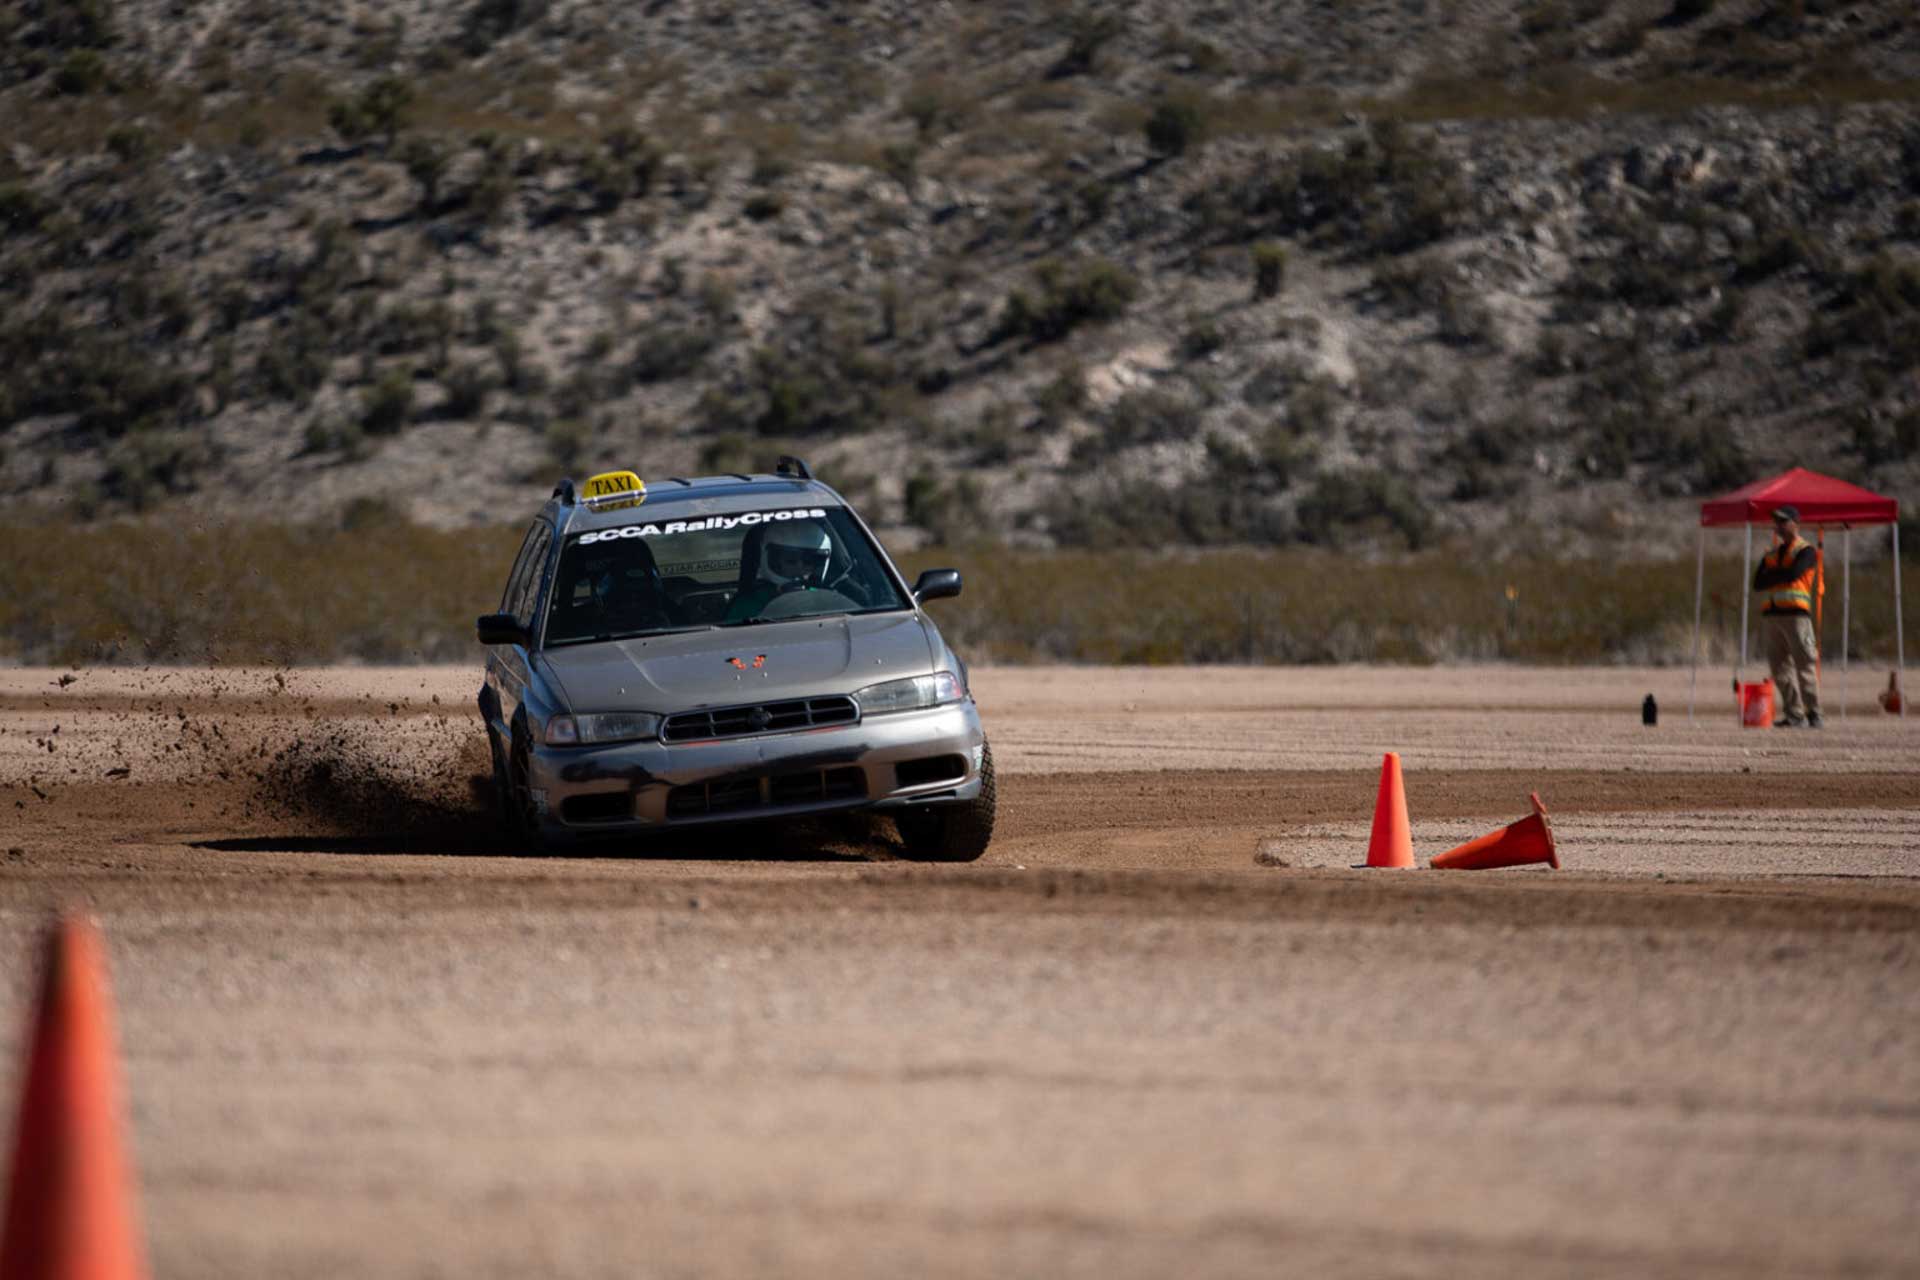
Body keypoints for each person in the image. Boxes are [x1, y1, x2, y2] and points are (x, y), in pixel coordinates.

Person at [1752, 505, 1821, 728]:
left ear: (1795, 523)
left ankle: (1814, 713)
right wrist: (1778, 575)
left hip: (1797, 616)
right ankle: (1794, 714)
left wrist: (1773, 575)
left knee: (1805, 665)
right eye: (1777, 523)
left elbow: (1794, 574)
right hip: (1773, 616)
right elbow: (1757, 583)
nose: (1778, 527)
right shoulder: (1772, 554)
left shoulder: (1807, 550)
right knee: (1779, 668)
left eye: (1783, 522)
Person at [726, 521, 833, 622]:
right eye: (791, 561)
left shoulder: (825, 599)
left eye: (808, 561)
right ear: (774, 561)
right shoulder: (749, 604)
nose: (799, 568)